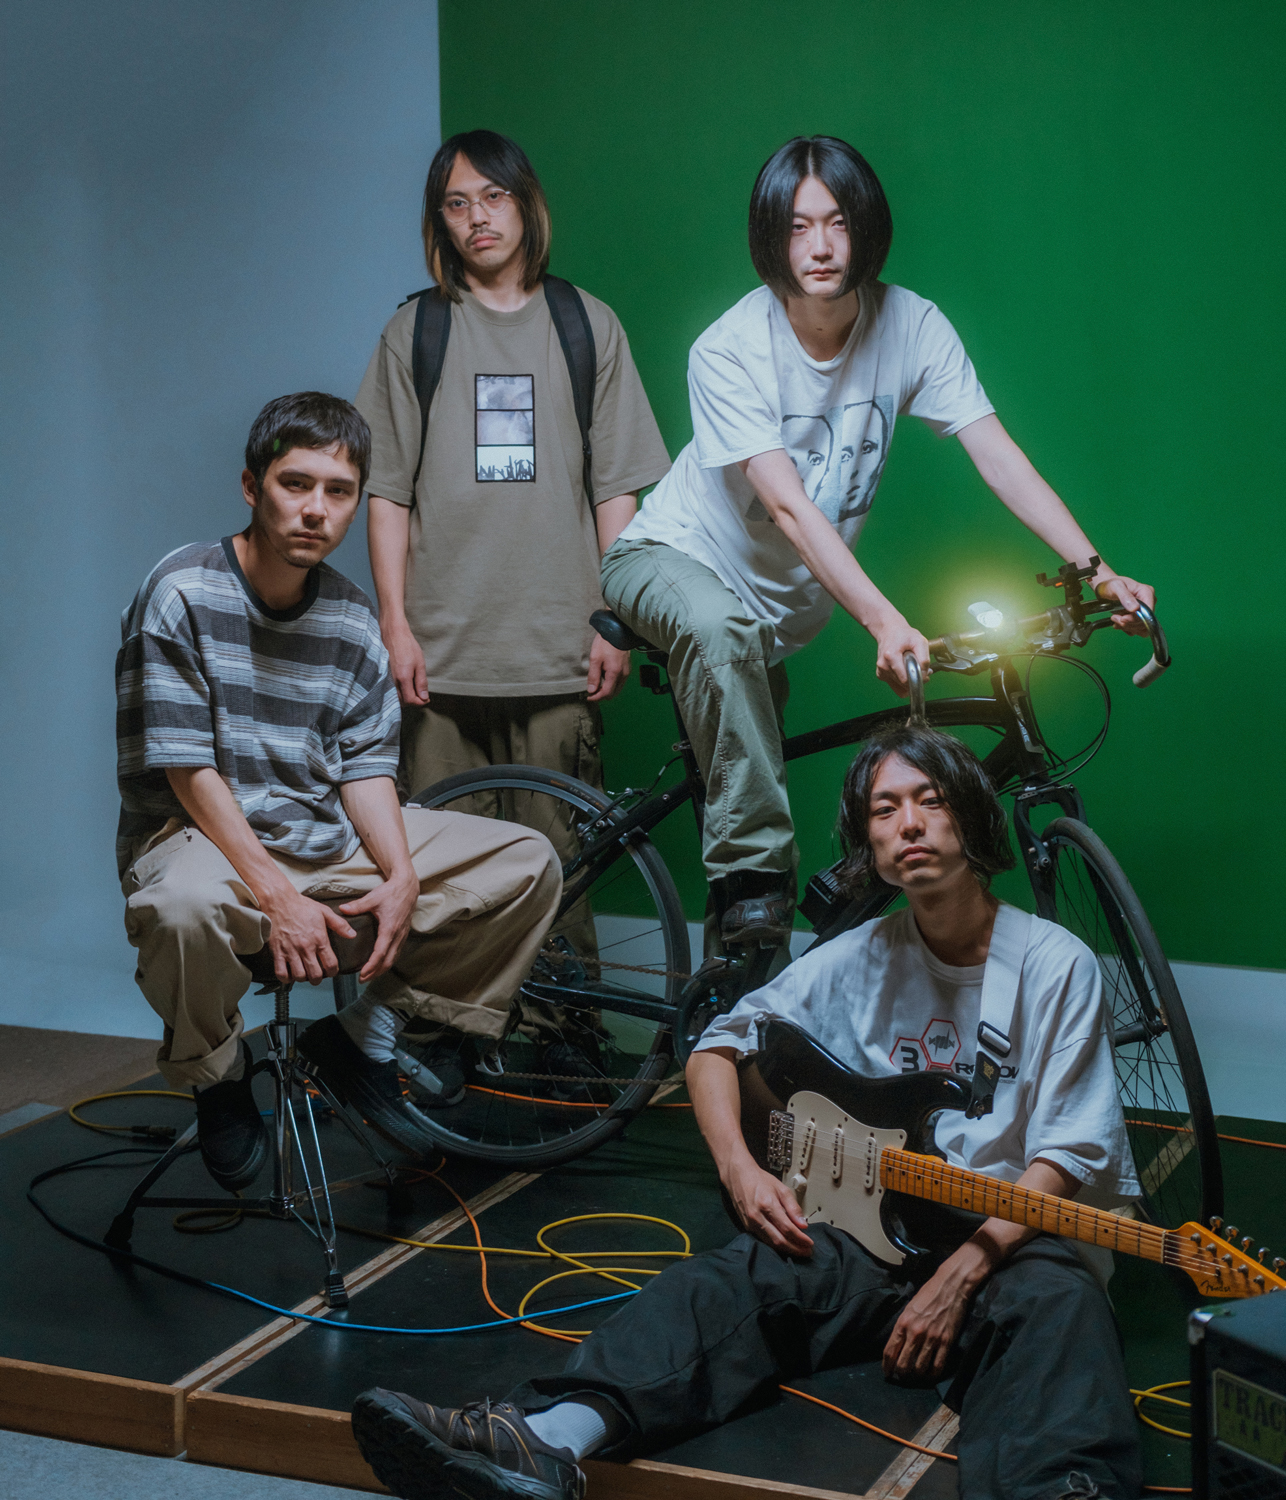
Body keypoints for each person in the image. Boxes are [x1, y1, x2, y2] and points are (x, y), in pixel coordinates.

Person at [350, 725, 1144, 1500]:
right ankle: (547, 1441)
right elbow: (714, 1049)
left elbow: (1071, 1153)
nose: (908, 824)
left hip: (1005, 1244)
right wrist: (740, 1172)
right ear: (867, 842)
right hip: (875, 1238)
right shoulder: (859, 955)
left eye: (930, 801)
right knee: (723, 1283)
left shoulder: (1053, 965)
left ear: (970, 816)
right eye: (884, 808)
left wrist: (965, 1271)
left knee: (1062, 1311)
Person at [599, 135, 1156, 952]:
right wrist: (885, 620)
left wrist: (1098, 571)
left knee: (746, 802)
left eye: (837, 222)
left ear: (866, 228)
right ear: (769, 237)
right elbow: (788, 507)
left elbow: (996, 453)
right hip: (668, 560)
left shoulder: (911, 326)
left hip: (768, 618)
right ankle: (754, 880)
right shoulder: (728, 349)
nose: (820, 246)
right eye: (797, 226)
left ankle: (736, 997)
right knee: (725, 662)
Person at [116, 392, 562, 1190]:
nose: (316, 510)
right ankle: (218, 1074)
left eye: (338, 491)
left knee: (528, 862)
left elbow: (365, 771)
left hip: (319, 831)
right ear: (251, 487)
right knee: (182, 908)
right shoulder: (181, 592)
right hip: (198, 836)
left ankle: (361, 1038)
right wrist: (277, 898)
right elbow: (188, 772)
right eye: (295, 484)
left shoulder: (354, 622)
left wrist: (402, 875)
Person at [355, 131, 672, 1094]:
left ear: (527, 204)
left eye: (493, 196)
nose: (477, 218)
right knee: (440, 868)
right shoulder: (416, 332)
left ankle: (564, 1043)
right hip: (440, 659)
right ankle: (439, 1047)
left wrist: (614, 619)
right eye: (456, 203)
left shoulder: (584, 324)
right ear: (439, 221)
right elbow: (385, 492)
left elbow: (617, 490)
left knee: (560, 865)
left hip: (556, 650)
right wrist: (394, 626)